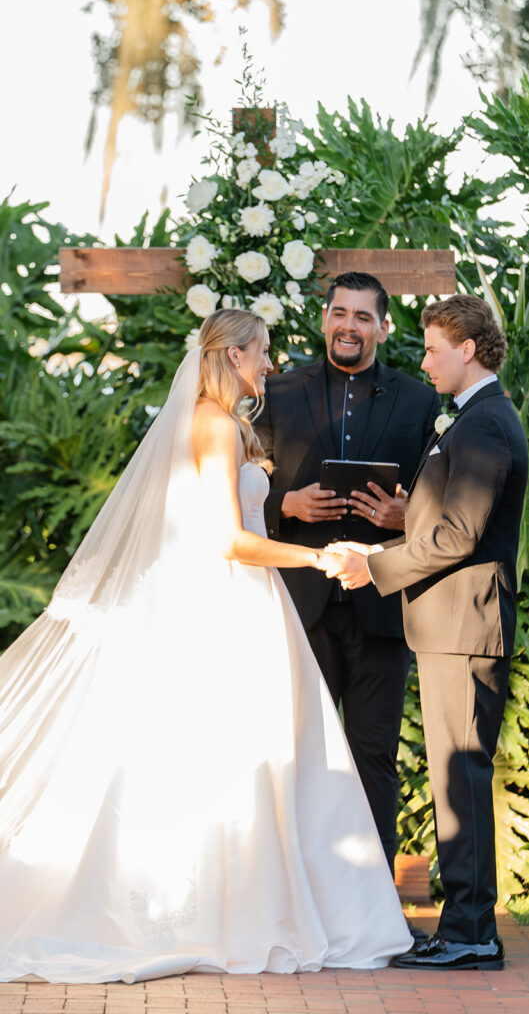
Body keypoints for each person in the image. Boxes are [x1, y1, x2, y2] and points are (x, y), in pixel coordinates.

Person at [0, 309, 412, 984]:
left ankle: (233, 907)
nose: (269, 364)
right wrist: (318, 560)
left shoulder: (214, 422)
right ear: (234, 354)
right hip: (227, 600)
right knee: (246, 755)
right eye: (262, 353)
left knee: (248, 757)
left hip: (239, 600)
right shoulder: (216, 425)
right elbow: (228, 540)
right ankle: (234, 914)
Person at [330, 295, 529, 971]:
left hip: (463, 625)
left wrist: (373, 565)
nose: (423, 361)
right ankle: (464, 926)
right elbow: (442, 521)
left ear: (467, 349)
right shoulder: (473, 420)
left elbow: (458, 535)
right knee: (453, 776)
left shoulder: (485, 425)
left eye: (433, 349)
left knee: (459, 777)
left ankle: (471, 931)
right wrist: (400, 518)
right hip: (451, 624)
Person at [253, 272, 441, 872]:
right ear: (324, 319)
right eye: (340, 313)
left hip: (381, 607)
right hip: (297, 605)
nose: (349, 327)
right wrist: (287, 503)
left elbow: (435, 503)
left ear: (384, 327)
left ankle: (373, 904)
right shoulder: (278, 392)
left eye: (363, 317)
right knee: (295, 756)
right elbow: (236, 492)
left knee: (373, 758)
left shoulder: (418, 400)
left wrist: (405, 512)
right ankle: (296, 892)